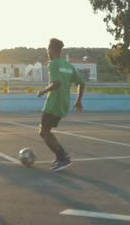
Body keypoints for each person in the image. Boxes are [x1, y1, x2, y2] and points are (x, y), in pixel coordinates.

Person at [37, 38, 85, 172]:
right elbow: (81, 83)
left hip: (53, 103)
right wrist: (78, 100)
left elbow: (57, 83)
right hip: (64, 103)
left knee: (43, 132)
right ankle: (61, 156)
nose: (47, 51)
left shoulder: (53, 64)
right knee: (46, 131)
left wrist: (43, 91)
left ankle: (63, 157)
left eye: (48, 48)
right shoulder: (68, 66)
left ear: (51, 50)